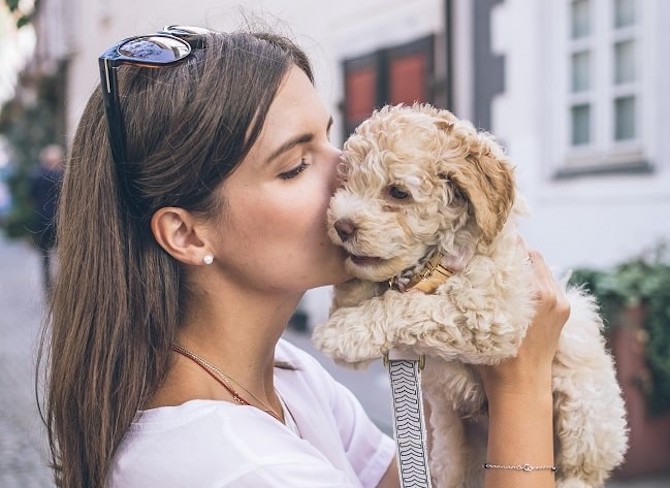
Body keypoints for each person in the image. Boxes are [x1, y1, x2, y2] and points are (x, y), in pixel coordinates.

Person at [43, 26, 570, 488]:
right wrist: (521, 382)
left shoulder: (290, 375)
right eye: (296, 165)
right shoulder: (233, 466)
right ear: (188, 235)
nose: (347, 171)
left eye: (330, 138)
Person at [29, 144, 63, 292]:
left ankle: (48, 286)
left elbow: (31, 196)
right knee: (62, 254)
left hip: (41, 219)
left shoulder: (36, 175)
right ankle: (62, 284)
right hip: (59, 220)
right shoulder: (61, 175)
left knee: (45, 256)